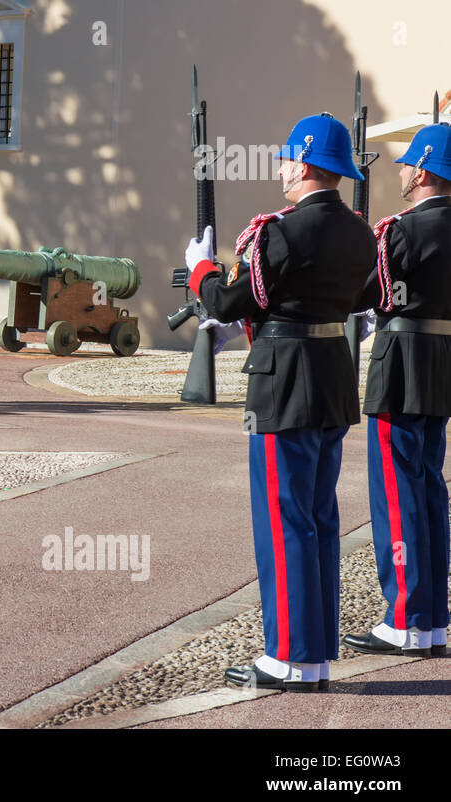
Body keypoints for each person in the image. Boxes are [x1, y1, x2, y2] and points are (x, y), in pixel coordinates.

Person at [186, 113, 376, 691]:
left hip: (283, 377)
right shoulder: (360, 232)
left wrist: (199, 268)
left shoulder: (280, 231)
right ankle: (313, 651)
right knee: (319, 517)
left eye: (288, 157)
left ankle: (291, 655)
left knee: (283, 517)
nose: (281, 167)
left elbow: (226, 298)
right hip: (330, 376)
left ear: (307, 162)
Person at [342, 123, 451, 660]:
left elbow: (365, 292)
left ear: (425, 170)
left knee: (397, 492)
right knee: (430, 487)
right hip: (444, 362)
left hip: (403, 362)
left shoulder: (399, 230)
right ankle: (432, 620)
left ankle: (405, 618)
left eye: (409, 164)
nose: (403, 171)